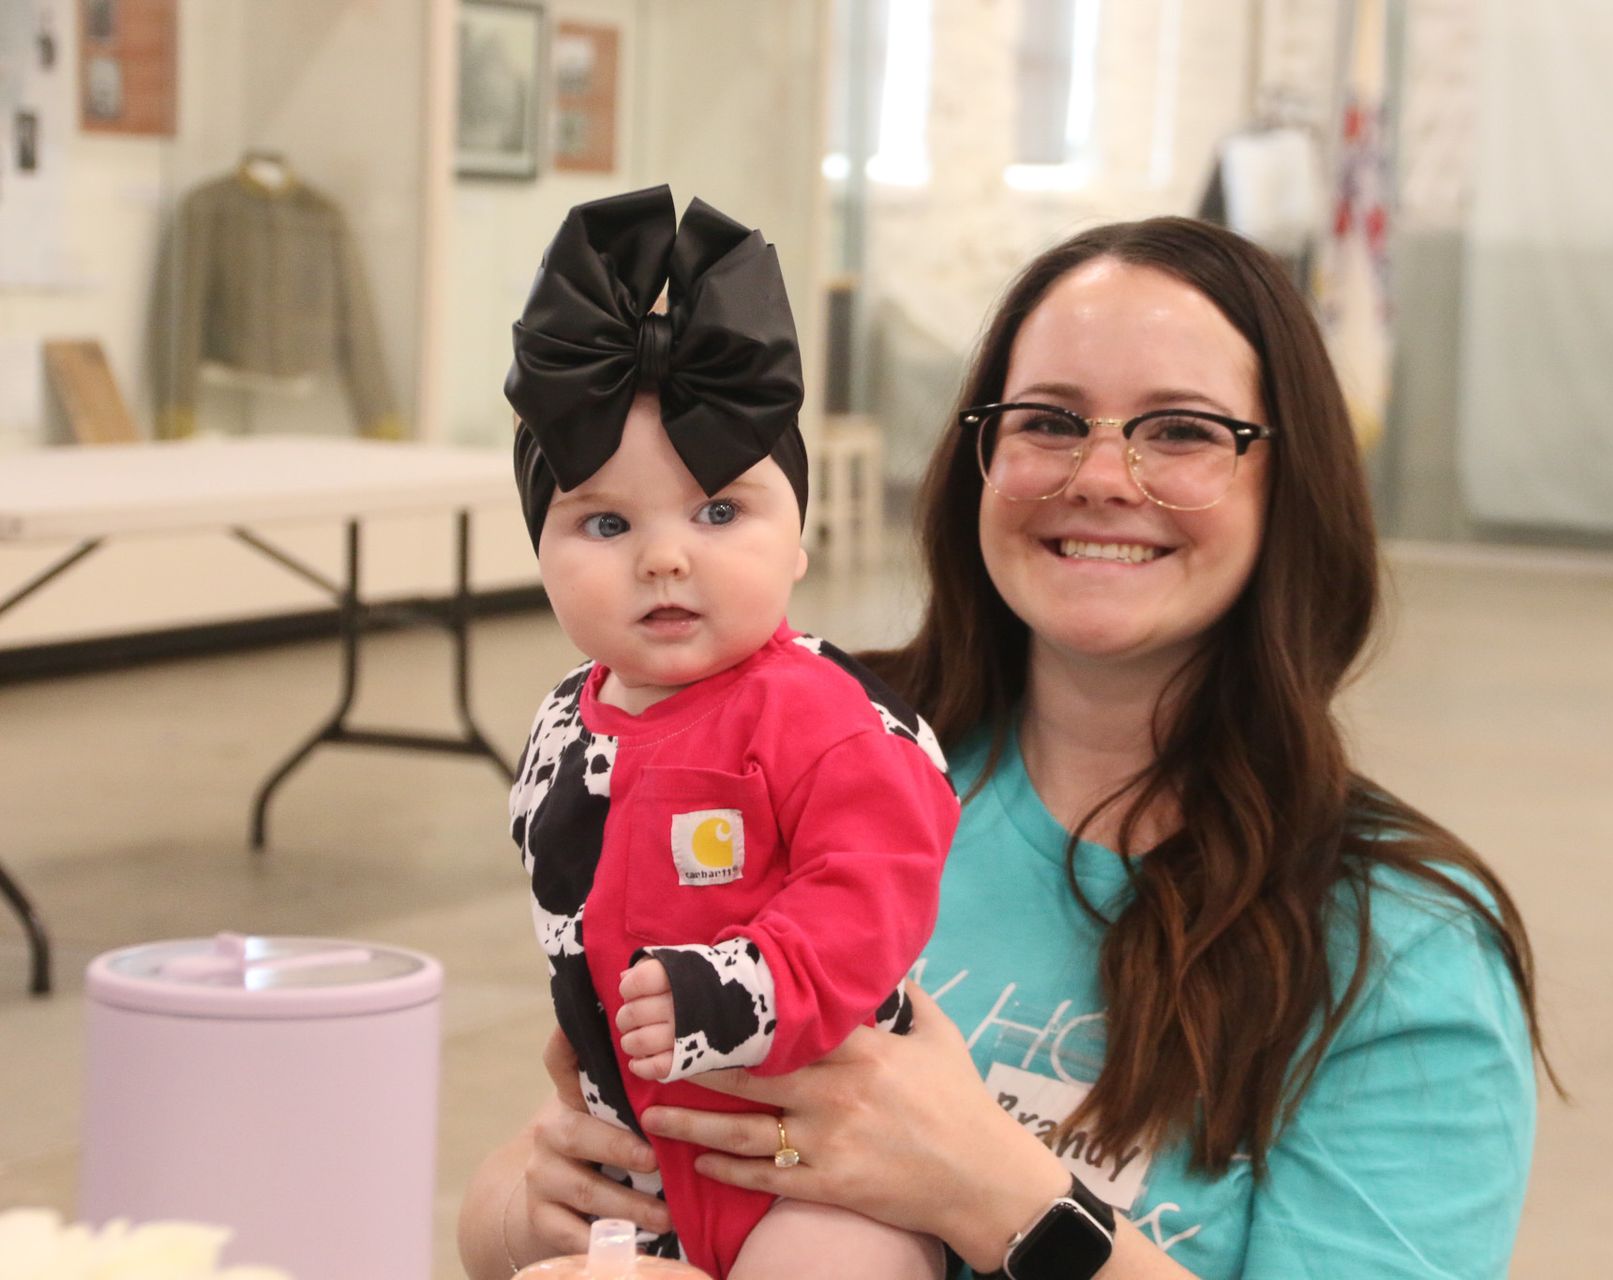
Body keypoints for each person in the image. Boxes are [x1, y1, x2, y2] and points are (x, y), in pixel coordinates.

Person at [463, 212, 1553, 1279]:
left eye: (1181, 429)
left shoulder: (1402, 951)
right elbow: (514, 1193)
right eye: (1049, 420)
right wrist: (538, 1198)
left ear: (1293, 482)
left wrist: (993, 1194)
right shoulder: (791, 740)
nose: (1103, 476)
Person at [493, 186, 959, 1279]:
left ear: (799, 537)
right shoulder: (567, 718)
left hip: (818, 1154)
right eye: (606, 522)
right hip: (646, 1155)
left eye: (718, 512)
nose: (664, 557)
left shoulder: (825, 715)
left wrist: (738, 988)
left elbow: (874, 889)